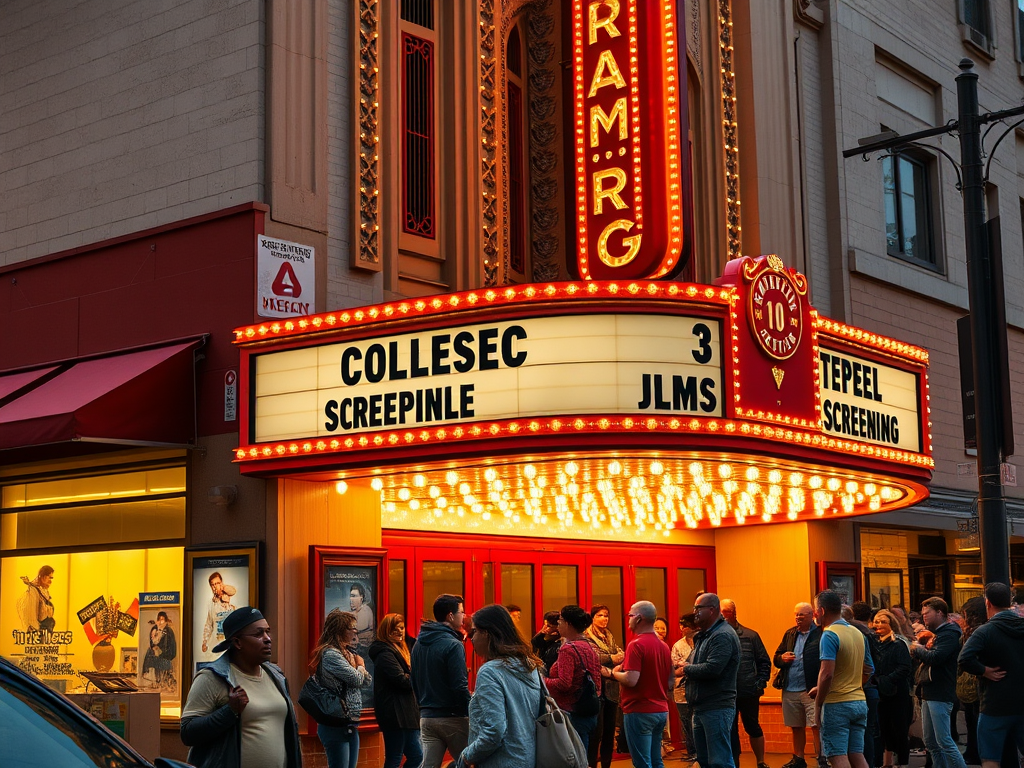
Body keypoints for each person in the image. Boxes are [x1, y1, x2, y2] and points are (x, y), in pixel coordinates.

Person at [180, 606, 301, 768]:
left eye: (268, 632)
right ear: (237, 642)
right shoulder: (212, 677)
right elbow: (187, 733)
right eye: (258, 634)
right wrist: (230, 711)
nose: (267, 639)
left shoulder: (276, 675)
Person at [459, 604, 543, 768]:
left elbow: (495, 730)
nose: (471, 638)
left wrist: (467, 756)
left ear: (487, 633)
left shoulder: (490, 672)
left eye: (474, 632)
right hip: (526, 757)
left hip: (500, 760)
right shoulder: (530, 666)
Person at [958, 582, 1024, 768]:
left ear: (987, 603)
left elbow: (964, 659)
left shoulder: (985, 631)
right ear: (1010, 601)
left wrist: (984, 671)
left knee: (990, 758)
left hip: (995, 704)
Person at [812, 589, 874, 768]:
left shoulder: (829, 634)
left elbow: (827, 673)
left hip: (837, 703)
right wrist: (853, 684)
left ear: (822, 611)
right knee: (856, 754)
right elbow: (869, 669)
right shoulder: (858, 633)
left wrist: (818, 701)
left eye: (816, 609)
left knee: (837, 756)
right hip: (859, 701)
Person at [410, 594, 471, 768]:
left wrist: (422, 706)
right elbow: (459, 686)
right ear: (450, 616)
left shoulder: (419, 643)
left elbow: (413, 679)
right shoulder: (453, 644)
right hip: (453, 717)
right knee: (467, 763)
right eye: (461, 612)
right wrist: (470, 709)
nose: (464, 616)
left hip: (427, 717)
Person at [681, 592, 740, 768]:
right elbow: (700, 664)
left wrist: (684, 668)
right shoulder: (705, 635)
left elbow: (713, 668)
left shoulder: (721, 635)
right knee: (705, 760)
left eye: (698, 608)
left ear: (712, 610)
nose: (695, 612)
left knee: (719, 761)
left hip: (717, 707)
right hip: (701, 706)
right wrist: (687, 666)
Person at [613, 601, 673, 768]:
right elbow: (670, 681)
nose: (629, 619)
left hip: (639, 710)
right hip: (660, 710)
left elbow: (631, 680)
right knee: (656, 761)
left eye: (630, 615)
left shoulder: (636, 644)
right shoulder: (664, 646)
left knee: (642, 763)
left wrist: (614, 673)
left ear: (639, 619)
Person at [310, 609, 373, 768]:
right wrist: (360, 666)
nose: (354, 631)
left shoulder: (347, 653)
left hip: (349, 722)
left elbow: (367, 682)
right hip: (335, 722)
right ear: (339, 631)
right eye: (351, 628)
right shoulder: (331, 654)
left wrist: (358, 668)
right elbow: (358, 678)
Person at [911, 597, 967, 768]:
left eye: (927, 613)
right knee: (931, 742)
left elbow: (937, 658)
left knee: (944, 741)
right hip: (930, 692)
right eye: (922, 614)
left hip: (941, 693)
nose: (923, 617)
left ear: (940, 612)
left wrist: (918, 649)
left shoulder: (949, 634)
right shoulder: (937, 634)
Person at [721, 599, 772, 768]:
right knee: (730, 730)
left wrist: (760, 683)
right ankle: (734, 763)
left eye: (725, 611)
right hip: (727, 692)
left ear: (734, 612)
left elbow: (764, 661)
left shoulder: (750, 635)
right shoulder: (718, 636)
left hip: (749, 691)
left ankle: (760, 761)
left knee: (752, 726)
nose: (721, 615)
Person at [775, 602, 825, 768]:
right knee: (796, 726)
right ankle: (798, 758)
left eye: (801, 615)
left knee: (816, 725)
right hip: (790, 687)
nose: (798, 618)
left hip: (810, 688)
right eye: (796, 615)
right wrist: (782, 658)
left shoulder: (820, 633)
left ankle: (822, 758)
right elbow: (776, 656)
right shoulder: (789, 633)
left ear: (812, 615)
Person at [369, 613, 422, 768]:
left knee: (416, 756)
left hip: (407, 713)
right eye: (395, 629)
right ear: (386, 630)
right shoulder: (385, 653)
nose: (400, 632)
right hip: (395, 714)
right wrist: (417, 673)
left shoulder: (403, 648)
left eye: (402, 628)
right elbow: (401, 680)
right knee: (396, 756)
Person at [547, 605, 603, 747]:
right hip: (589, 710)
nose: (558, 624)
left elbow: (564, 683)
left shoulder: (568, 649)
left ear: (568, 623)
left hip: (572, 713)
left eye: (560, 620)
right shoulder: (588, 645)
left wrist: (542, 680)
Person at [871, 609, 912, 768]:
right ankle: (887, 763)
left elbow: (904, 667)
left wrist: (887, 680)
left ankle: (903, 763)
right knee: (884, 728)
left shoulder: (898, 643)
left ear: (891, 625)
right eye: (876, 621)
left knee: (900, 729)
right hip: (881, 692)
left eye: (883, 622)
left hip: (898, 692)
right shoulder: (876, 643)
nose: (879, 625)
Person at [586, 603, 625, 768]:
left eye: (606, 615)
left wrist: (612, 659)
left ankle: (607, 764)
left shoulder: (609, 635)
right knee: (597, 732)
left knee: (610, 731)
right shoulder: (587, 636)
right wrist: (612, 658)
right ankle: (591, 764)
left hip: (612, 688)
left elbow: (621, 655)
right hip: (597, 688)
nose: (604, 619)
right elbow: (593, 657)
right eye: (600, 615)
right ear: (593, 618)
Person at [957, 596, 988, 766]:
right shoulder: (971, 632)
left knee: (975, 720)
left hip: (977, 684)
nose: (962, 619)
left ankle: (975, 751)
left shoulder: (978, 632)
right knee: (971, 720)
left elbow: (966, 658)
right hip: (973, 684)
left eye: (964, 615)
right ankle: (973, 750)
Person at [672, 613, 698, 761]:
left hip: (699, 690)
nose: (682, 628)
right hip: (681, 691)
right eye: (680, 625)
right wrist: (684, 669)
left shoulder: (703, 641)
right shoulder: (678, 645)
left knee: (698, 722)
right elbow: (672, 670)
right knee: (686, 723)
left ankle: (701, 753)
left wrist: (687, 667)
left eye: (685, 625)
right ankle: (691, 752)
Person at [201, 571, 237, 654]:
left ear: (221, 583)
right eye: (212, 585)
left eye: (217, 583)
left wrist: (223, 588)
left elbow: (233, 590)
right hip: (217, 643)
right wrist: (205, 641)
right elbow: (209, 624)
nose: (214, 587)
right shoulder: (211, 603)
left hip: (232, 644)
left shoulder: (230, 595)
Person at [142, 611, 178, 688]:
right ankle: (156, 682)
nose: (161, 621)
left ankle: (163, 683)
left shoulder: (168, 631)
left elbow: (171, 644)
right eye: (159, 619)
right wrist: (154, 647)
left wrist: (165, 653)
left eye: (163, 619)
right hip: (155, 654)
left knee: (163, 670)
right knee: (154, 667)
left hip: (165, 655)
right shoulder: (154, 629)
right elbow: (152, 641)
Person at [18, 565, 55, 632]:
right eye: (50, 578)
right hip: (38, 631)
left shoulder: (44, 591)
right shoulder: (33, 591)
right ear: (43, 577)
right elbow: (30, 614)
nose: (50, 581)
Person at [350, 584, 375, 649]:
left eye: (354, 596)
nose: (351, 599)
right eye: (351, 596)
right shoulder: (352, 613)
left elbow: (359, 628)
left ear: (361, 597)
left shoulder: (366, 610)